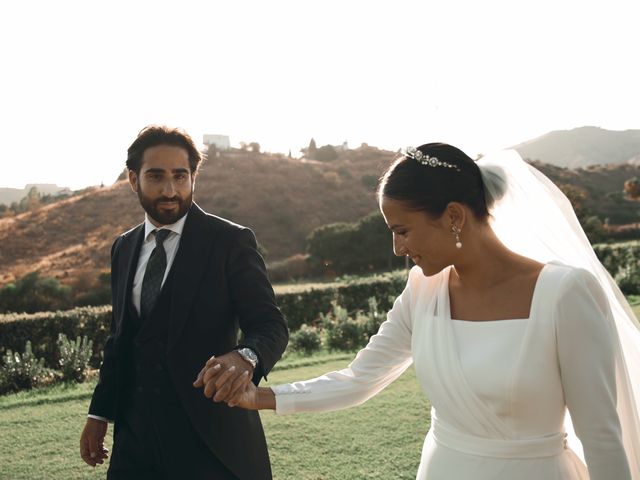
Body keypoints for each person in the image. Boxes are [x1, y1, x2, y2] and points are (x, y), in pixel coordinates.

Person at [196, 143, 640, 479]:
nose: (397, 248)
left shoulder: (565, 294)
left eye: (403, 230)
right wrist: (260, 397)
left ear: (453, 216)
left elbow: (602, 435)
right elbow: (358, 379)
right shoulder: (421, 291)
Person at [79, 125, 288, 480]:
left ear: (193, 177)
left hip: (212, 441)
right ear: (133, 179)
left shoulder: (230, 241)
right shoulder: (123, 247)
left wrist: (246, 357)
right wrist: (99, 415)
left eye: (180, 176)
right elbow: (120, 339)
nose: (170, 190)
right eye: (156, 176)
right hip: (135, 442)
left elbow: (270, 325)